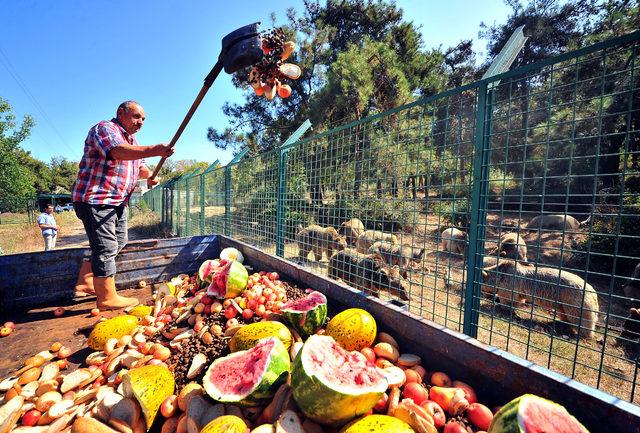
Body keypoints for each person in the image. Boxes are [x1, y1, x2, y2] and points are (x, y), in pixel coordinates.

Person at [72, 100, 174, 309]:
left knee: (119, 241)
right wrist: (156, 149)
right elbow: (117, 151)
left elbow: (141, 168)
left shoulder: (133, 141)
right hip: (97, 198)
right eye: (137, 116)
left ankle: (86, 281)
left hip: (118, 201)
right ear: (121, 112)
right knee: (106, 247)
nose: (141, 122)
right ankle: (107, 298)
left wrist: (151, 177)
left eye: (144, 119)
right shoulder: (105, 128)